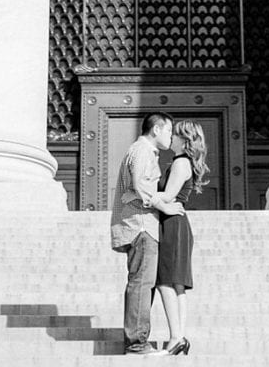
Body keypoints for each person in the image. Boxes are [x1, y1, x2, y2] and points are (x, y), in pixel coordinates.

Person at [109, 112, 182, 355]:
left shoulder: (143, 151)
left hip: (140, 225)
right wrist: (164, 206)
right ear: (156, 129)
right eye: (169, 131)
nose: (171, 137)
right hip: (141, 226)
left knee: (143, 283)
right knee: (141, 283)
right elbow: (140, 185)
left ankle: (138, 340)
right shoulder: (142, 151)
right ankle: (137, 343)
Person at [154, 120, 208, 356]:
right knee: (176, 283)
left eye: (174, 133)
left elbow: (168, 196)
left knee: (166, 280)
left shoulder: (180, 162)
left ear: (183, 140)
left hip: (173, 224)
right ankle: (178, 337)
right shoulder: (182, 162)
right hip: (176, 223)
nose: (170, 137)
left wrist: (140, 192)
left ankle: (176, 337)